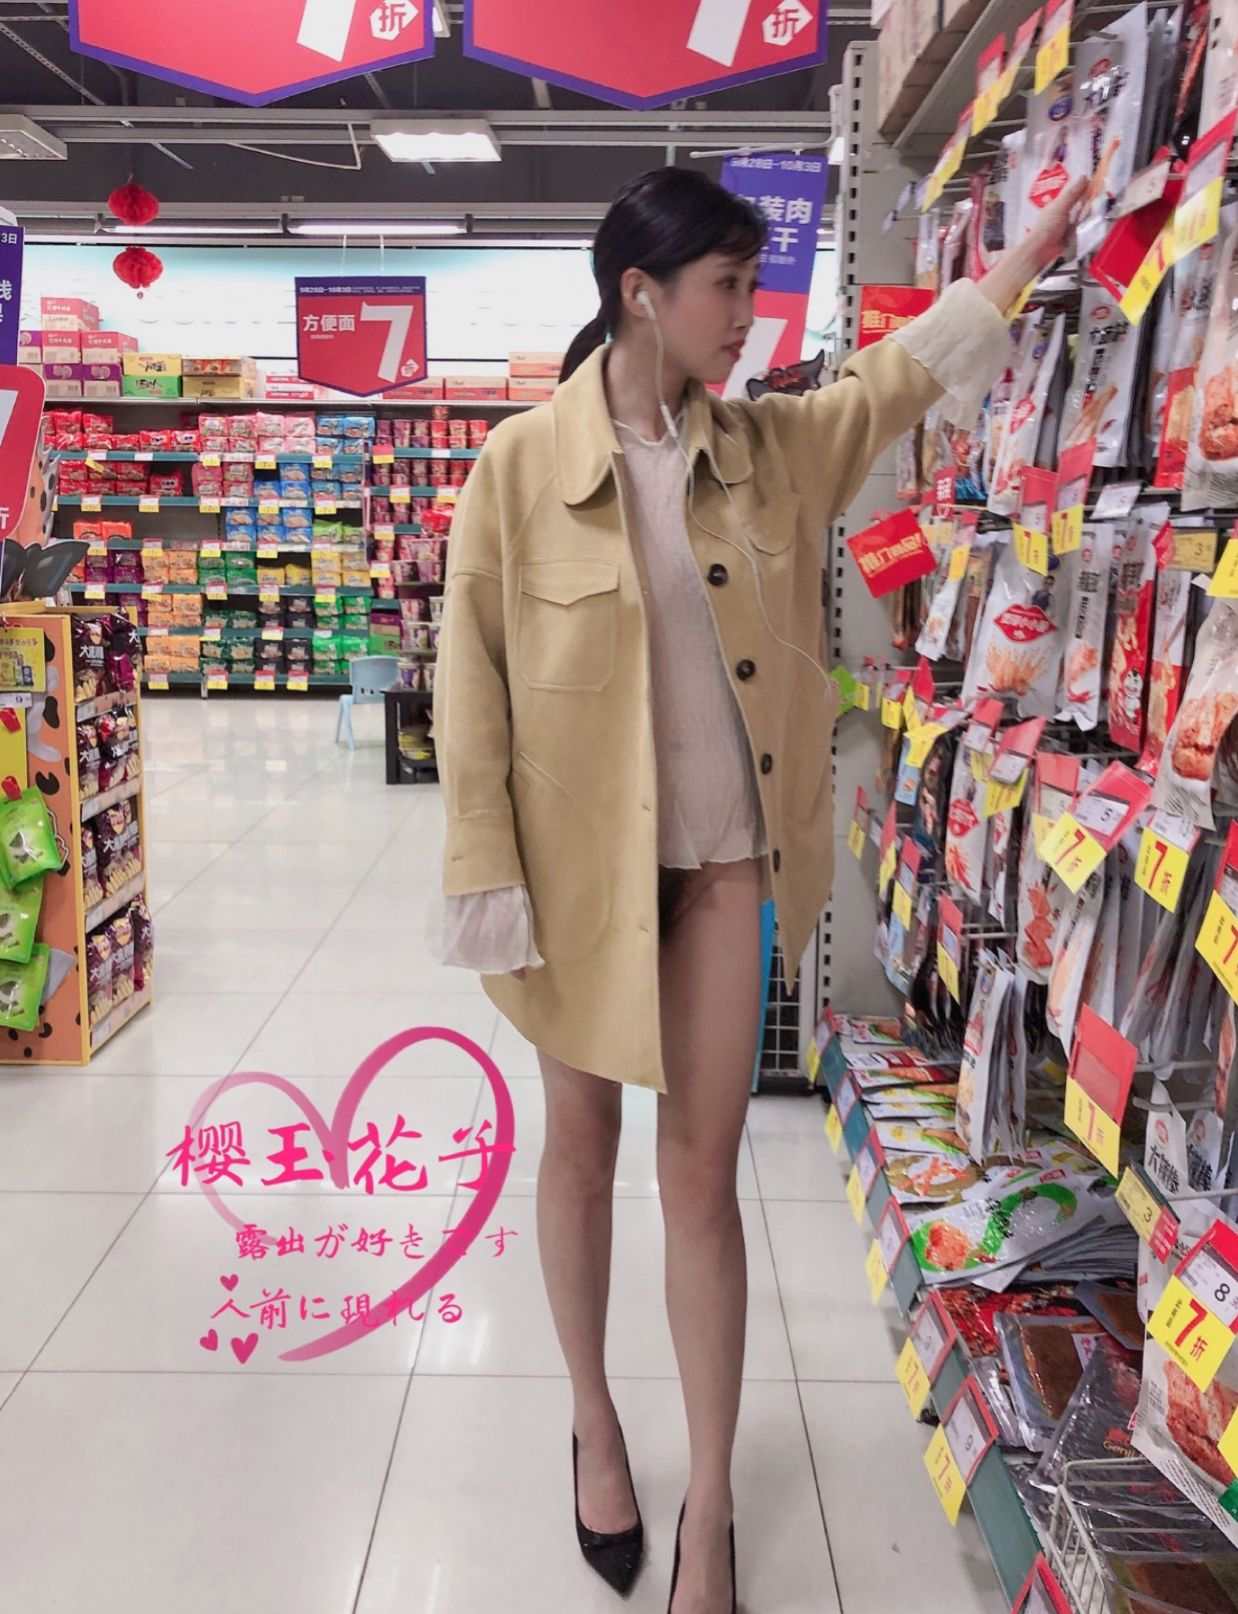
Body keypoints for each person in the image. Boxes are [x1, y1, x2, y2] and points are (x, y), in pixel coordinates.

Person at [427, 166, 1085, 1614]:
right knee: (578, 1147)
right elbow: (468, 686)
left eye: (750, 282)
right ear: (640, 293)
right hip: (573, 880)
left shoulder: (772, 450)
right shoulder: (518, 469)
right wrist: (483, 871)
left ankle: (713, 1503)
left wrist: (1026, 255)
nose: (747, 313)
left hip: (726, 869)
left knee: (701, 1178)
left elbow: (899, 379)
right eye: (725, 285)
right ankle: (595, 1423)